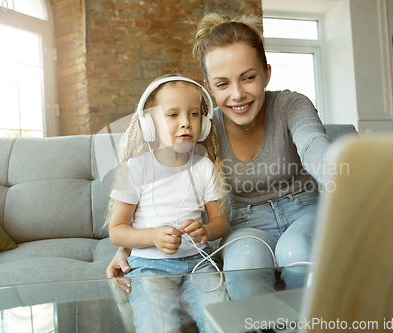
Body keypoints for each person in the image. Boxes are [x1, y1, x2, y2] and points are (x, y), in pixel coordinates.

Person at [108, 13, 331, 300]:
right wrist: (126, 248)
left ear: (267, 73)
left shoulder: (291, 104)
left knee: (296, 251)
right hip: (246, 221)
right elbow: (167, 193)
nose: (237, 94)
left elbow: (315, 147)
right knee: (241, 267)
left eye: (248, 78)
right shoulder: (204, 129)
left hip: (305, 210)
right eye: (222, 84)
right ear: (210, 88)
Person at [106, 74, 229, 332]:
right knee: (157, 326)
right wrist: (153, 236)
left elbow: (220, 223)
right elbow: (117, 230)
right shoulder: (136, 169)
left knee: (222, 323)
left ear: (204, 123)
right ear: (150, 125)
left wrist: (206, 230)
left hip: (197, 262)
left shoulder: (205, 167)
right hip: (150, 267)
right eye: (173, 115)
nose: (186, 123)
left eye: (194, 114)